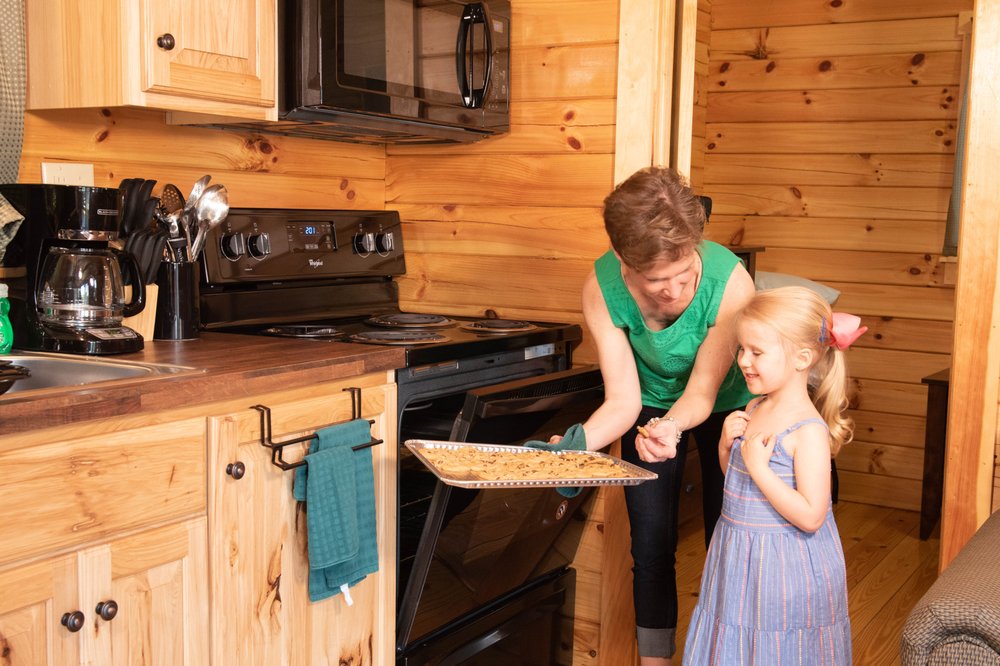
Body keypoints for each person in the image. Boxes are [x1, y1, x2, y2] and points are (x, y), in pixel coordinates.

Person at [539, 166, 756, 664]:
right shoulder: (601, 287)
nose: (675, 291)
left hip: (728, 404)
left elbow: (702, 392)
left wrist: (673, 428)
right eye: (659, 280)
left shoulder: (730, 283)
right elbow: (622, 401)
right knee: (650, 545)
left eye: (685, 275)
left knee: (728, 542)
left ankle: (723, 655)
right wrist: (575, 446)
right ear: (623, 259)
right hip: (650, 403)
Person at [683, 286, 864, 664]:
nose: (744, 361)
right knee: (737, 643)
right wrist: (724, 451)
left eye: (757, 352)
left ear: (802, 358)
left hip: (783, 569)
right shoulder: (754, 406)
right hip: (737, 556)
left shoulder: (807, 431)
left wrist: (759, 467)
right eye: (742, 349)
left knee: (774, 649)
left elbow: (813, 515)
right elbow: (742, 487)